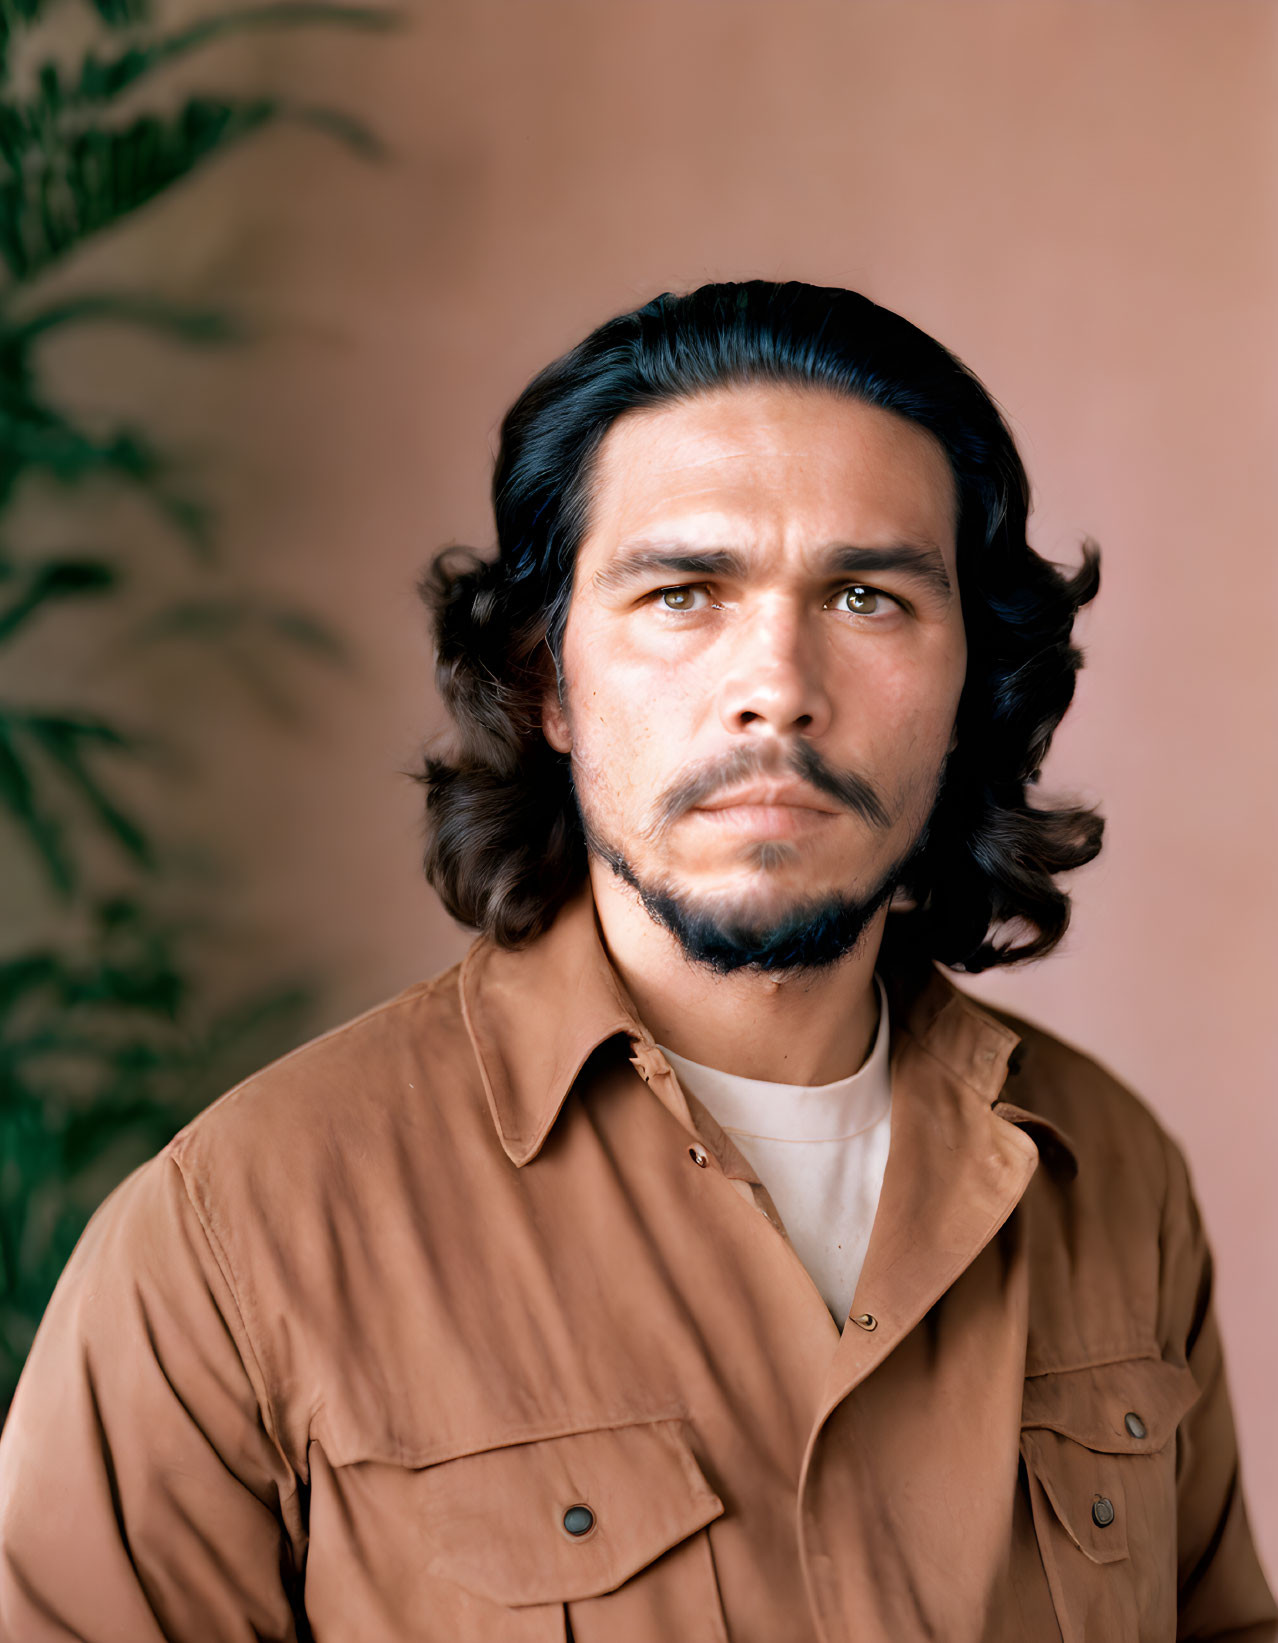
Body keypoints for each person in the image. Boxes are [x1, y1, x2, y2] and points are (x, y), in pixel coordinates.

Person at [0, 281, 1272, 1642]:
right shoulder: (234, 1234)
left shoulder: (1109, 1172)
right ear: (546, 682)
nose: (775, 682)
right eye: (683, 594)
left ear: (972, 686)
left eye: (863, 595)